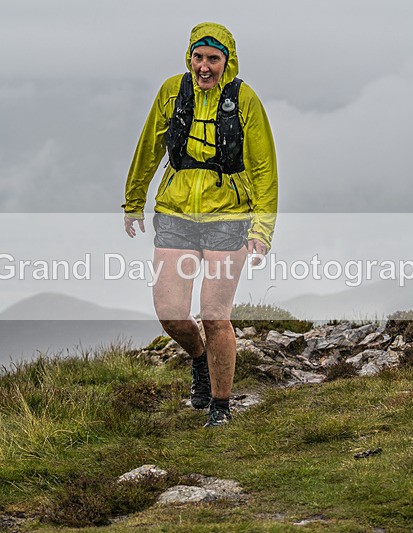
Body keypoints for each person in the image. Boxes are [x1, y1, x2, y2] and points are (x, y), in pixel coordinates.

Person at [122, 22, 278, 427]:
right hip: (174, 213)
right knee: (171, 312)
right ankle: (198, 361)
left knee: (213, 314)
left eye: (213, 59)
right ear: (189, 57)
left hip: (228, 219)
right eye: (198, 57)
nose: (204, 67)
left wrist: (261, 230)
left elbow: (264, 170)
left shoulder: (245, 100)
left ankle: (220, 408)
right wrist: (133, 201)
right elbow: (149, 147)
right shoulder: (172, 92)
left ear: (227, 61)